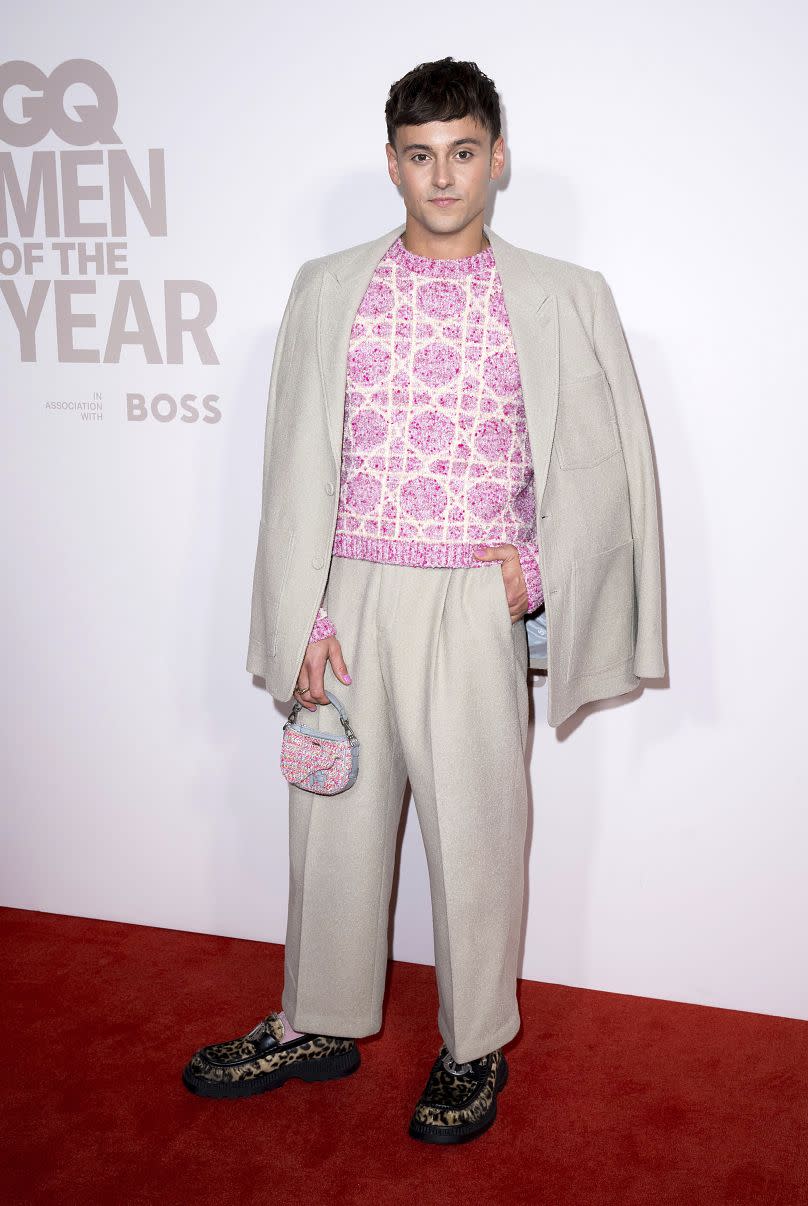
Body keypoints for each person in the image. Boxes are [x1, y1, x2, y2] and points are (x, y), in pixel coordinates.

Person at [182, 56, 665, 1145]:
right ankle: (320, 1017)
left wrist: (532, 574)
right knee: (332, 824)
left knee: (480, 834)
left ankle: (472, 1046)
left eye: (460, 153)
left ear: (497, 158)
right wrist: (304, 612)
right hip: (350, 592)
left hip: (469, 600)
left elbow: (600, 467)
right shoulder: (326, 285)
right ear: (390, 164)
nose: (441, 177)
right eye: (418, 156)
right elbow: (293, 466)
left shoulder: (562, 295)